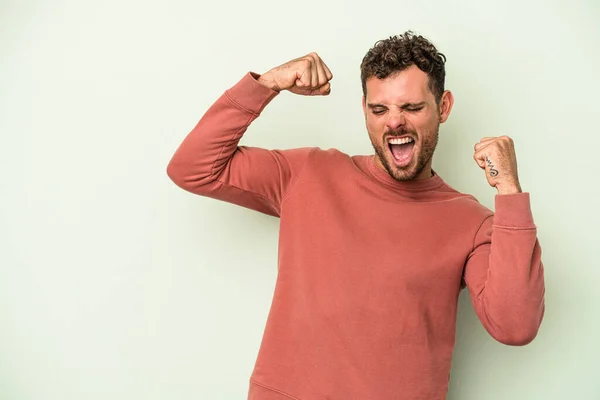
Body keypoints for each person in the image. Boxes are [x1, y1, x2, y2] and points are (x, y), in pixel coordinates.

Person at [166, 31, 545, 400]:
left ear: (443, 107)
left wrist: (508, 190)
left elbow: (515, 325)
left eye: (412, 107)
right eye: (380, 109)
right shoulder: (309, 172)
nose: (394, 122)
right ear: (364, 109)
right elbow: (193, 168)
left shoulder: (469, 221)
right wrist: (265, 85)